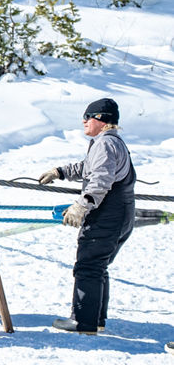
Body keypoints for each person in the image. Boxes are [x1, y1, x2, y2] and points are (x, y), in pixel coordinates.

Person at [39, 98, 135, 334]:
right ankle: (96, 319)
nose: (83, 121)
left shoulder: (105, 144)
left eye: (88, 116)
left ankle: (83, 321)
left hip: (107, 214)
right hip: (120, 213)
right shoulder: (109, 142)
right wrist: (60, 172)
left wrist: (82, 206)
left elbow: (100, 181)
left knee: (89, 265)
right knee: (98, 265)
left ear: (101, 120)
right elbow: (88, 167)